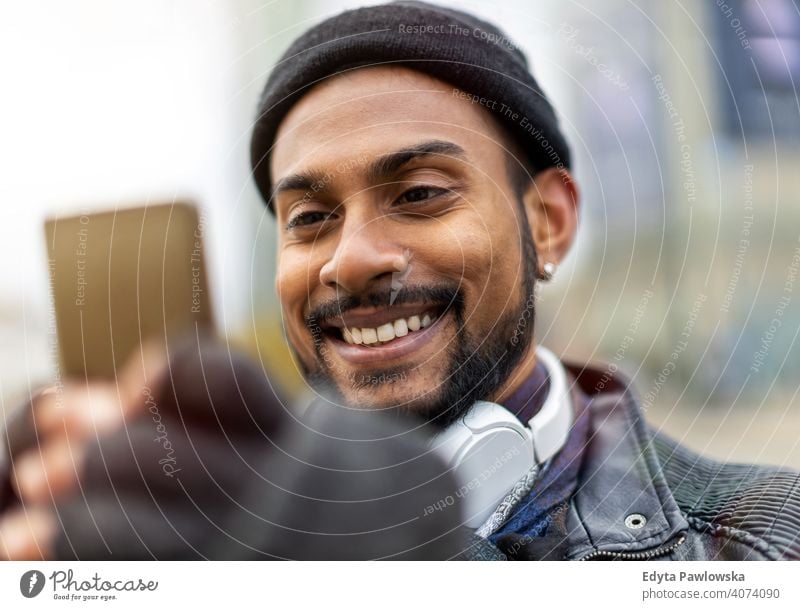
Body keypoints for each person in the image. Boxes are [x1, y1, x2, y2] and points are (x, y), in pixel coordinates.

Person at [2, 0, 799, 561]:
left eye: (419, 195)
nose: (351, 260)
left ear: (548, 223)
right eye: (308, 218)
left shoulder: (765, 539)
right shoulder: (200, 526)